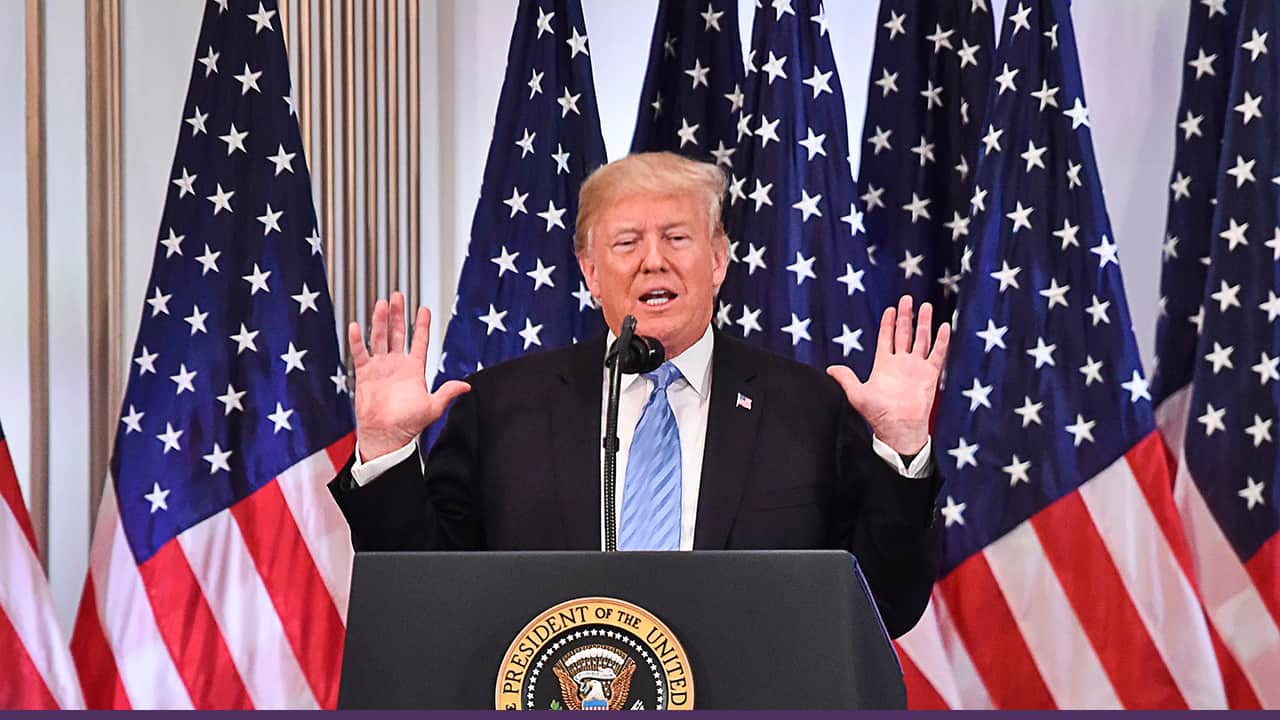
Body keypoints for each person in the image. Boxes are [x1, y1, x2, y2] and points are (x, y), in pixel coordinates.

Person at [329, 152, 950, 638]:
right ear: (591, 273)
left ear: (717, 261)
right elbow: (423, 598)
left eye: (677, 238)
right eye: (626, 243)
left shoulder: (809, 410)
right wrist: (386, 451)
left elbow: (885, 605)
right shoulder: (500, 409)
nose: (653, 261)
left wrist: (901, 448)